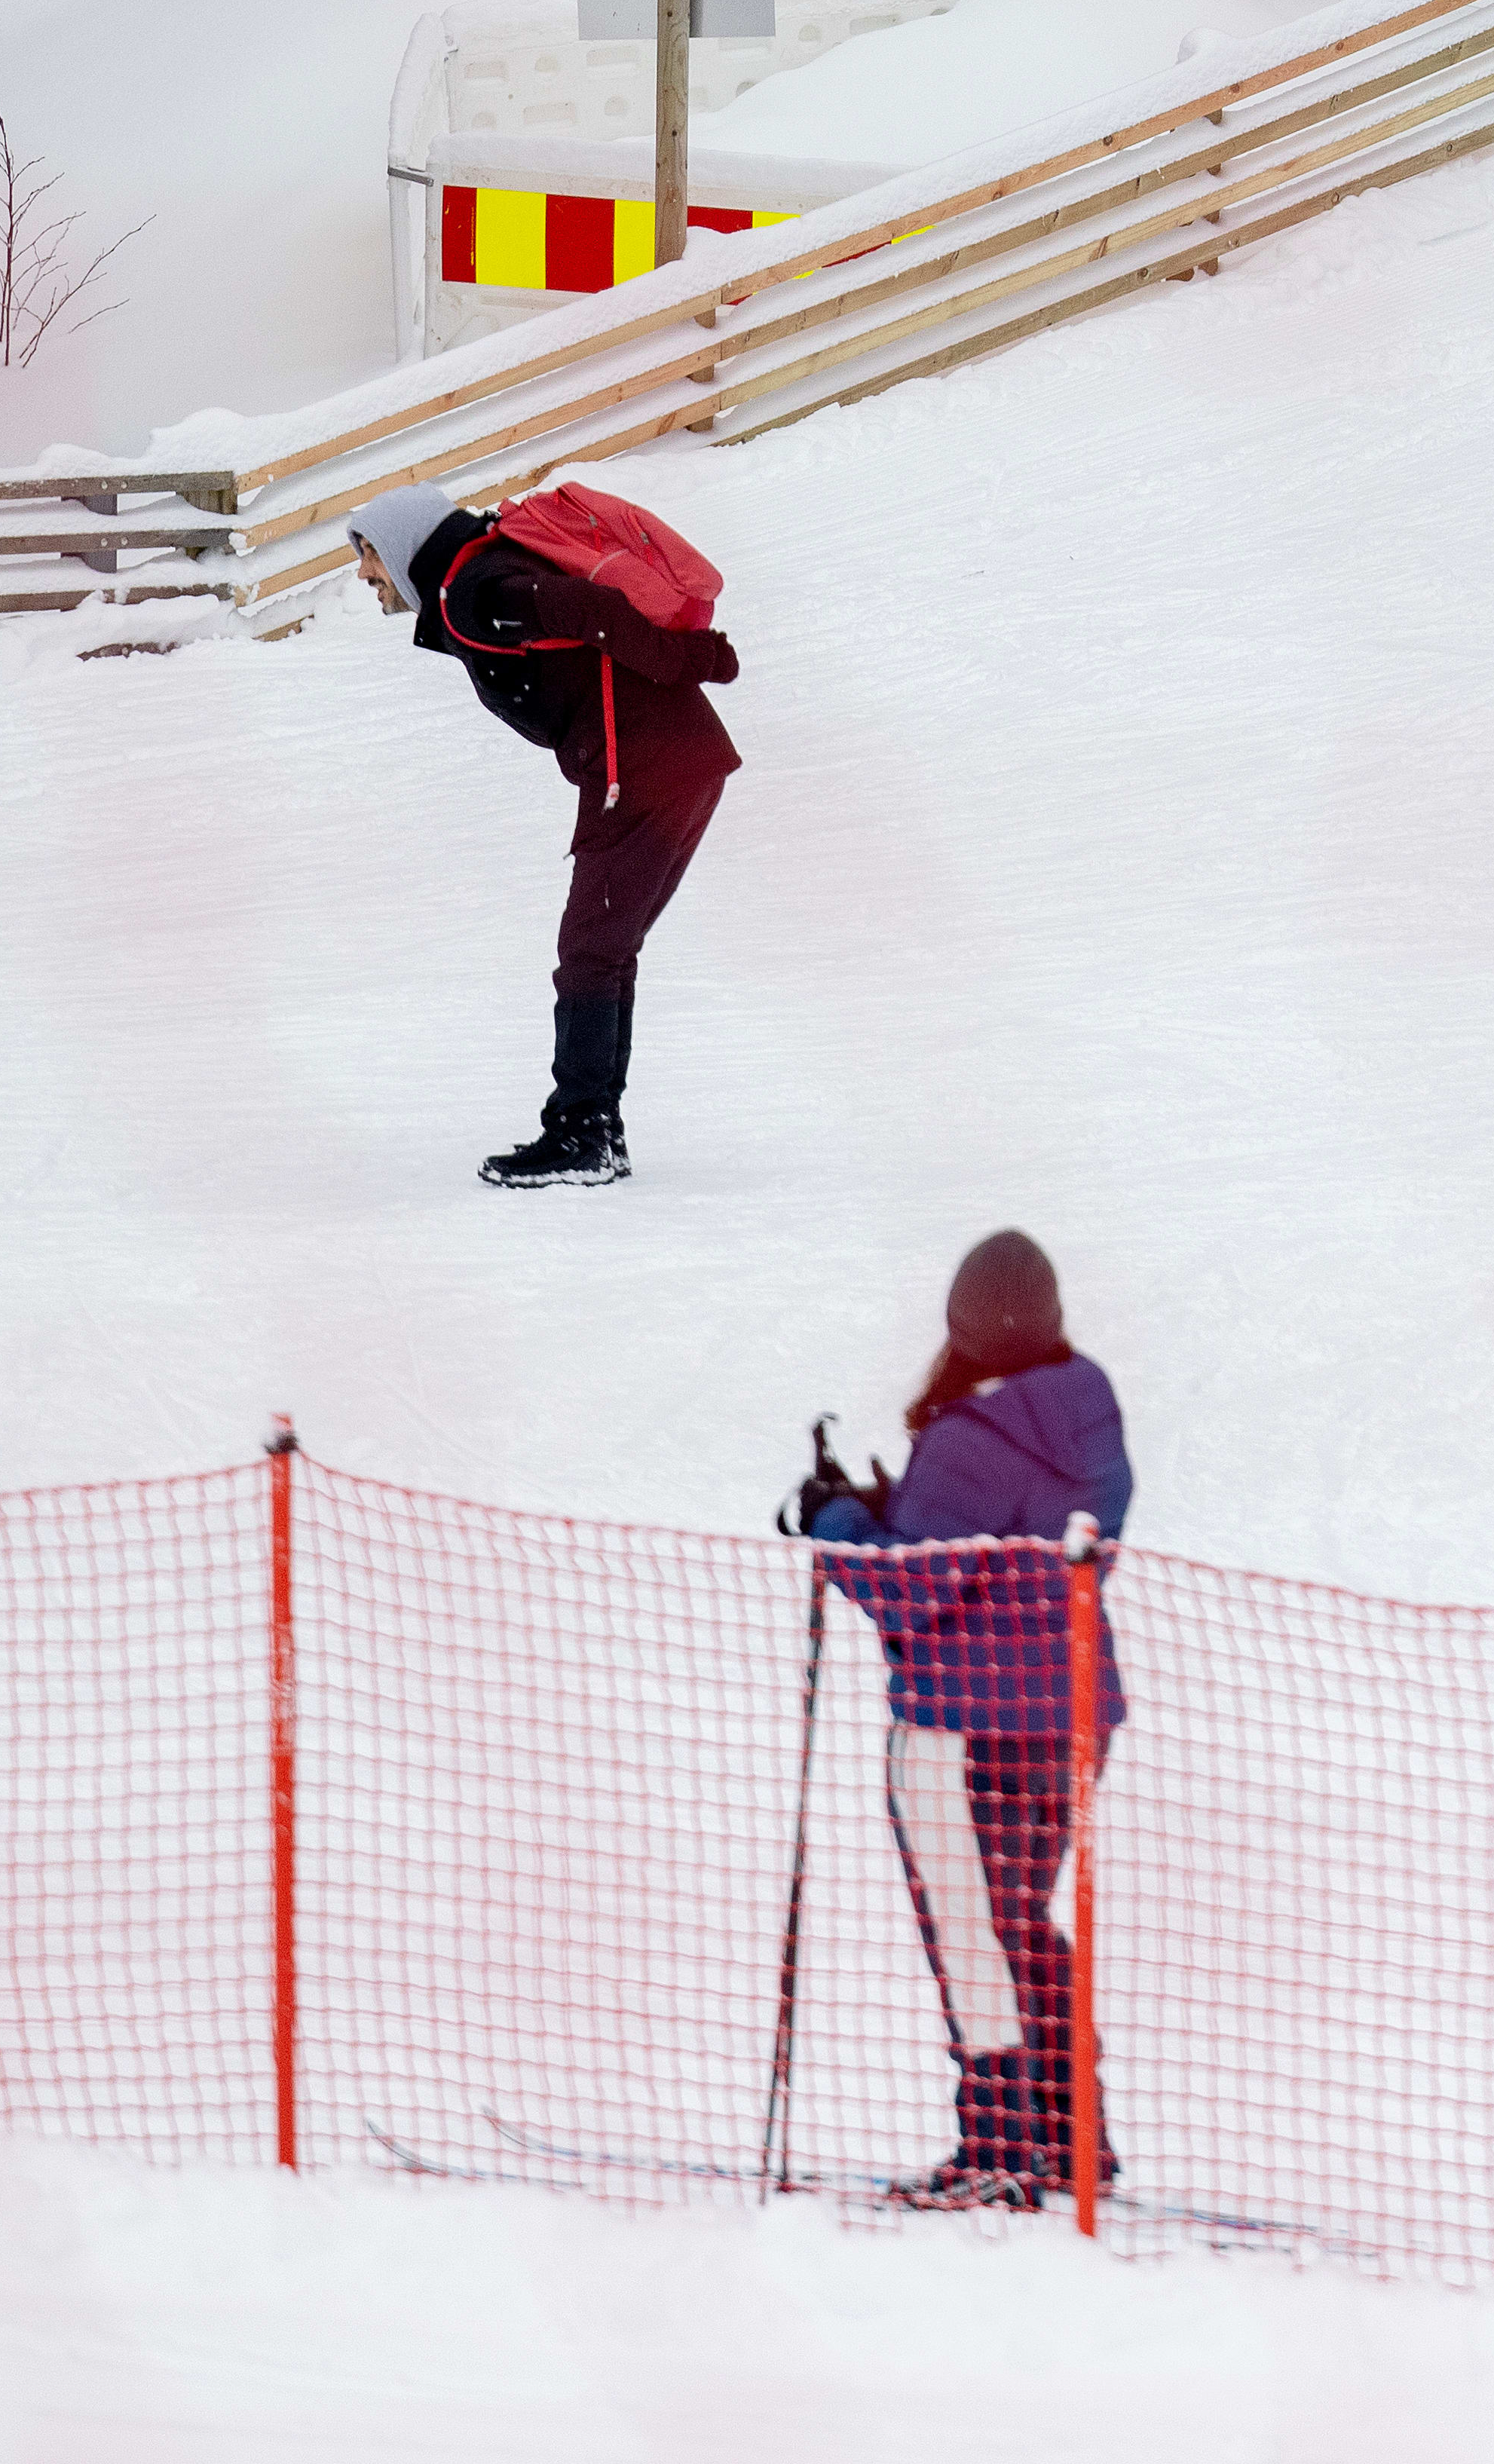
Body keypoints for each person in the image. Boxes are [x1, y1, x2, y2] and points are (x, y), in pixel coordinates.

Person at [798, 1229, 1135, 2212]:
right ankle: (1073, 2135)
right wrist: (891, 1508)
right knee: (1014, 1921)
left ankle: (998, 2142)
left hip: (961, 1726)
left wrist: (833, 1523)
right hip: (1068, 1716)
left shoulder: (970, 1440)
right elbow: (989, 1533)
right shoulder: (1085, 1408)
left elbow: (910, 1589)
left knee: (975, 1932)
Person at [345, 484, 739, 1189]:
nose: (364, 575)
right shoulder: (477, 572)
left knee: (592, 951)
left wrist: (690, 660)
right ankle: (595, 1132)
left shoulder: (474, 587)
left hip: (645, 767)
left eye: (368, 554)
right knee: (604, 948)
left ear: (404, 546)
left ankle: (583, 1135)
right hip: (667, 761)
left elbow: (588, 610)